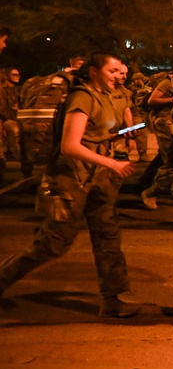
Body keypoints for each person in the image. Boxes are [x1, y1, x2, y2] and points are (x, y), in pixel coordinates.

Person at [0, 53, 140, 317]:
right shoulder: (82, 97)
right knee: (52, 243)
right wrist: (112, 164)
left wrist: (123, 140)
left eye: (119, 71)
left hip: (99, 177)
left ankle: (113, 299)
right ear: (93, 72)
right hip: (68, 179)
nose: (117, 76)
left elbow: (104, 130)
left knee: (107, 236)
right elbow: (69, 145)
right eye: (111, 71)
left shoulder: (109, 96)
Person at [141, 59, 173, 209]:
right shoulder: (167, 83)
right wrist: (172, 99)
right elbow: (152, 100)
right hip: (163, 122)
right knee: (168, 159)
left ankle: (168, 186)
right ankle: (150, 193)